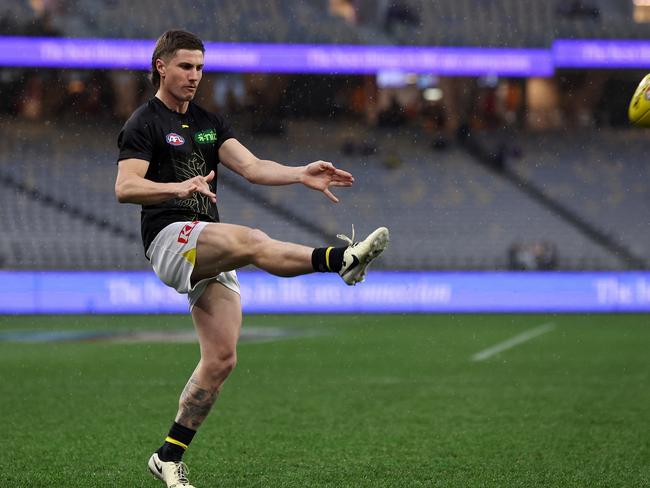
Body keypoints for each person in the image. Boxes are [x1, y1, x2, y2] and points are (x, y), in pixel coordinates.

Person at [114, 30, 389, 488]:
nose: (194, 76)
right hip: (169, 237)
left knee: (221, 359)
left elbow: (252, 167)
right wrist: (177, 188)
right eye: (185, 66)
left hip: (208, 242)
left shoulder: (207, 121)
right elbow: (125, 187)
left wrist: (301, 173)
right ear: (161, 66)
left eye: (200, 67)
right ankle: (341, 259)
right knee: (255, 240)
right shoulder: (143, 123)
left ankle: (167, 456)